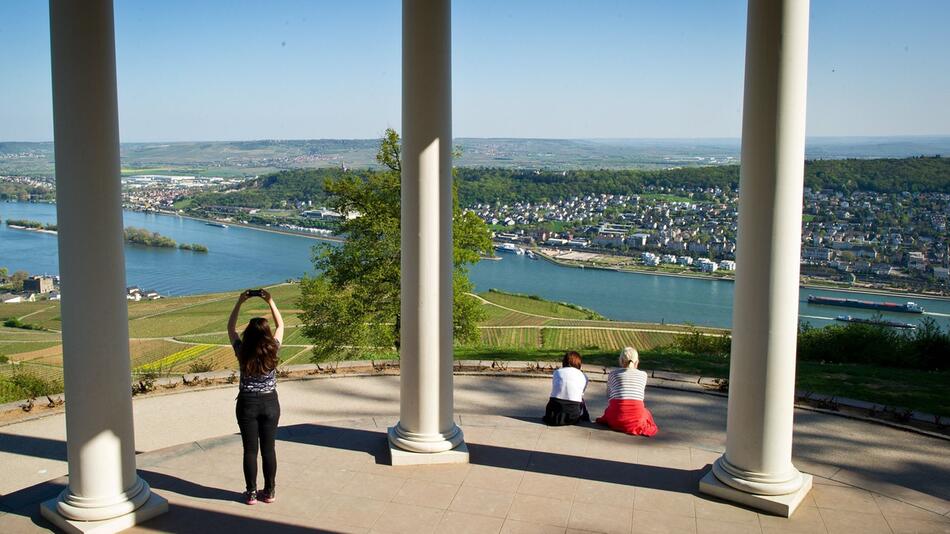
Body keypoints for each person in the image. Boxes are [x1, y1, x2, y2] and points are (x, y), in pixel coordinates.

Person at [227, 288, 284, 505]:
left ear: (248, 335)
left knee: (250, 450)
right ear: (267, 335)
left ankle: (251, 493)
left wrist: (240, 302)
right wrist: (270, 300)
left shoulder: (242, 350)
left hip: (247, 403)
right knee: (269, 449)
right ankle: (269, 491)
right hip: (270, 402)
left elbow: (230, 328)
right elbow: (281, 325)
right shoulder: (273, 349)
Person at [595, 347, 658, 436]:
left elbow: (609, 395)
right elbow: (640, 396)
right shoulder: (643, 375)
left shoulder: (613, 374)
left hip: (616, 417)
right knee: (646, 413)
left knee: (609, 411)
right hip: (636, 417)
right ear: (637, 361)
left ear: (621, 361)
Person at [543, 351, 590, 426]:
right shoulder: (584, 376)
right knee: (582, 400)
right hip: (572, 416)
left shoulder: (557, 372)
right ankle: (586, 419)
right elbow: (580, 395)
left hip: (552, 414)